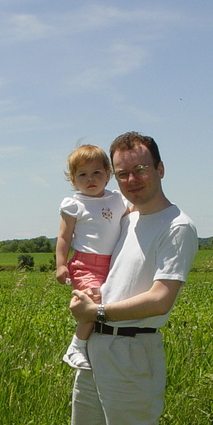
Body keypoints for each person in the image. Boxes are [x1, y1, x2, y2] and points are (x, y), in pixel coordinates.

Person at [67, 132, 198, 425]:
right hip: (96, 349)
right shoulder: (125, 218)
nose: (131, 179)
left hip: (133, 349)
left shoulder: (177, 226)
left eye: (141, 169)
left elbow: (161, 299)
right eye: (122, 173)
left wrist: (97, 312)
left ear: (160, 169)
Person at [55, 145, 127, 370]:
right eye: (82, 175)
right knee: (92, 302)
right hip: (85, 264)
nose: (90, 179)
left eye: (96, 172)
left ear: (108, 174)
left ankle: (102, 348)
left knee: (110, 302)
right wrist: (60, 264)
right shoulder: (75, 204)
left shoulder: (118, 199)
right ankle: (75, 347)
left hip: (114, 263)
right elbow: (64, 237)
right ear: (73, 180)